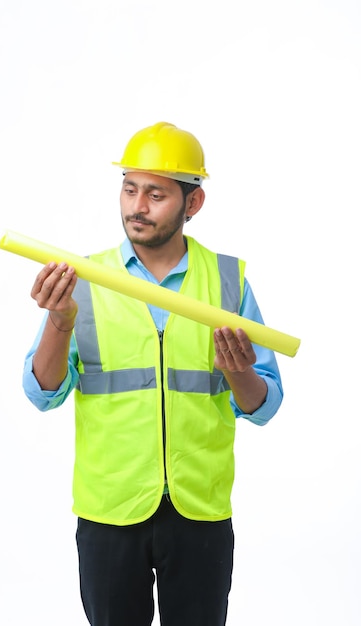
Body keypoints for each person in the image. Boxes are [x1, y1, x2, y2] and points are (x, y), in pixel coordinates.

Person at [23, 121, 283, 626]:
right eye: (129, 189)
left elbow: (265, 404)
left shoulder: (228, 280)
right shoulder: (83, 279)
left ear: (193, 204)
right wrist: (59, 323)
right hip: (110, 509)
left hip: (200, 510)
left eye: (156, 194)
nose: (136, 207)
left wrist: (238, 374)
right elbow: (42, 392)